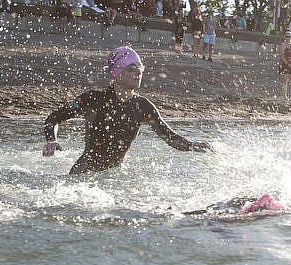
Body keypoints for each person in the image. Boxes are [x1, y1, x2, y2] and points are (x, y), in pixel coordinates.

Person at [42, 46, 214, 174]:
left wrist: (192, 145)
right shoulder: (93, 99)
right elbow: (53, 118)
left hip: (115, 176)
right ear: (116, 72)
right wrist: (51, 141)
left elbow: (169, 137)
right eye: (132, 68)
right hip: (83, 174)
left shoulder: (143, 107)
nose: (138, 72)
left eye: (140, 68)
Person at [183, 194, 288, 216]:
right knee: (212, 214)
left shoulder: (272, 204)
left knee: (210, 213)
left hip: (231, 203)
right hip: (234, 206)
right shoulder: (279, 208)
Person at [279, 31, 291, 100]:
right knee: (285, 80)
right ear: (284, 37)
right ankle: (284, 95)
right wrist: (287, 64)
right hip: (285, 64)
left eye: (289, 36)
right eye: (286, 36)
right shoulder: (283, 45)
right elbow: (282, 56)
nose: (288, 38)